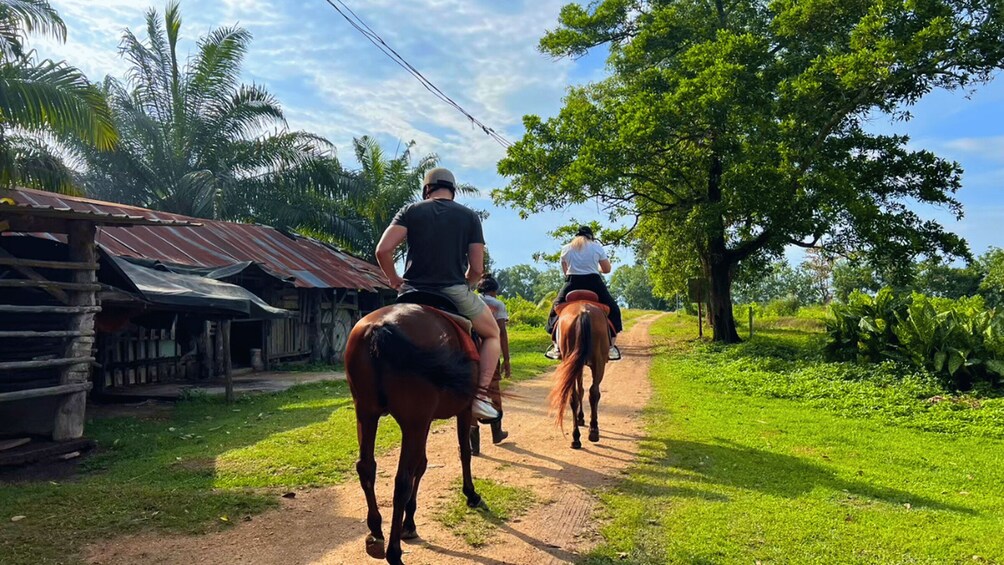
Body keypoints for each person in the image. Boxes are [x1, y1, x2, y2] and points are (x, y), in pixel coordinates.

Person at [375, 167, 501, 421]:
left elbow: (383, 250)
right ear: (453, 191)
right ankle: (479, 398)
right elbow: (477, 268)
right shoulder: (469, 216)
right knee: (492, 334)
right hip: (452, 290)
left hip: (411, 290)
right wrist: (468, 283)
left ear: (426, 189)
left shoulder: (411, 210)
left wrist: (394, 279)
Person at [544, 226, 622, 360]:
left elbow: (565, 270)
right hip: (594, 282)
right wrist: (596, 268)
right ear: (590, 236)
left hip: (572, 282)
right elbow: (607, 269)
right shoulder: (596, 247)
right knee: (614, 309)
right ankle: (611, 348)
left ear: (576, 236)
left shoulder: (566, 248)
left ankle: (556, 347)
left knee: (555, 309)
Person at [476, 275, 509, 444]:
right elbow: (501, 332)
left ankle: (473, 443)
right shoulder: (497, 305)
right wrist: (507, 360)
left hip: (470, 349)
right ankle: (496, 432)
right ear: (494, 291)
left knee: (470, 391)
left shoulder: (471, 300)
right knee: (494, 389)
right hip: (490, 351)